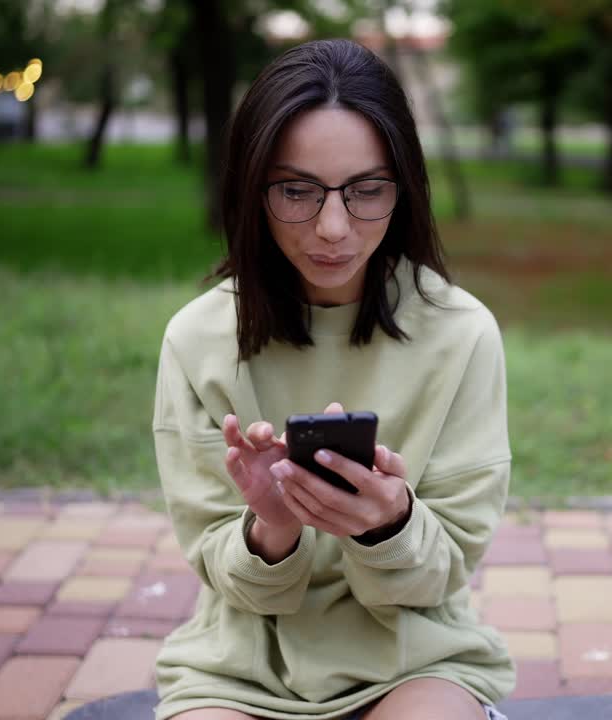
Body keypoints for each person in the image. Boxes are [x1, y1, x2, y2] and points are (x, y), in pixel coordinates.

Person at [151, 38, 515, 720]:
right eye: (297, 190)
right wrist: (272, 525)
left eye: (366, 190)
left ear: (403, 189)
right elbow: (231, 579)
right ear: (252, 189)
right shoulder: (196, 341)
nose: (333, 228)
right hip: (239, 668)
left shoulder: (462, 333)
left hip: (417, 659)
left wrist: (389, 522)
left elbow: (447, 568)